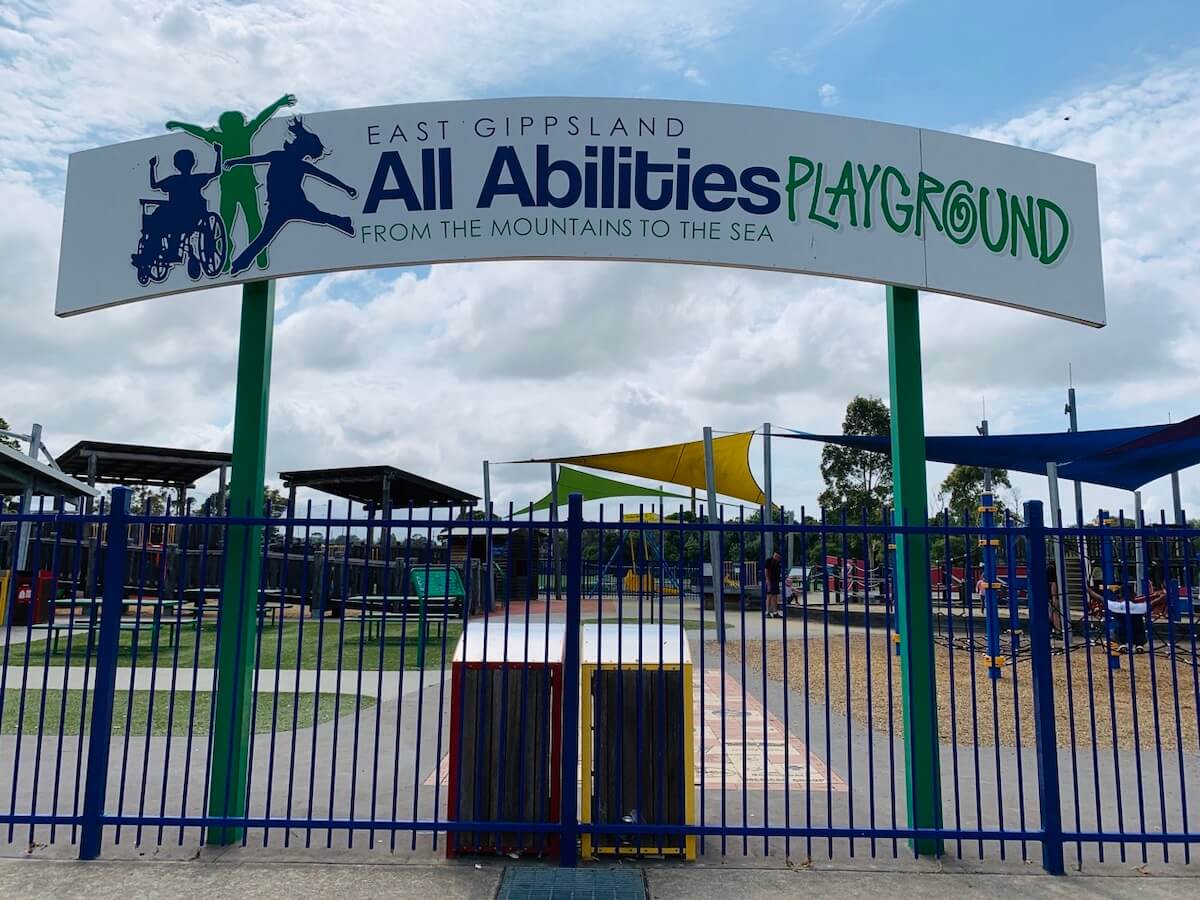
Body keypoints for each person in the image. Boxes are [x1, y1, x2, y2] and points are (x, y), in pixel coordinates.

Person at [166, 93, 298, 271]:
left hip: (239, 186)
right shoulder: (240, 134)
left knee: (237, 223)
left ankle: (253, 256)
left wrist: (181, 125)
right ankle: (238, 258)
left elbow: (201, 132)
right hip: (234, 187)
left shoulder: (231, 136)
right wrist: (279, 104)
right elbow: (260, 119)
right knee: (238, 223)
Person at [225, 117, 357, 275]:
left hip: (294, 204)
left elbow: (325, 177)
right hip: (280, 206)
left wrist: (346, 188)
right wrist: (234, 162)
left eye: (292, 142)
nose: (288, 142)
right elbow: (254, 159)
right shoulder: (280, 157)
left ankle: (239, 265)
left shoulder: (290, 160)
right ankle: (239, 265)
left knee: (315, 219)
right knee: (268, 236)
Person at [144, 145, 222, 251]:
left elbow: (154, 185)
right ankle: (165, 249)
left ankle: (153, 250)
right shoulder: (197, 179)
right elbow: (217, 172)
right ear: (193, 163)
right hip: (193, 216)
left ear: (176, 165)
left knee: (159, 218)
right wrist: (218, 152)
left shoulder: (173, 180)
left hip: (177, 216)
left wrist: (152, 166)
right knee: (168, 216)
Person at [764, 549, 783, 618]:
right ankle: (767, 612)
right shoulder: (769, 561)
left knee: (775, 596)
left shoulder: (778, 562)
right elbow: (766, 572)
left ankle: (775, 612)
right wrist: (768, 582)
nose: (777, 557)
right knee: (769, 596)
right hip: (770, 580)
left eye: (778, 557)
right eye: (776, 556)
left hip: (776, 581)